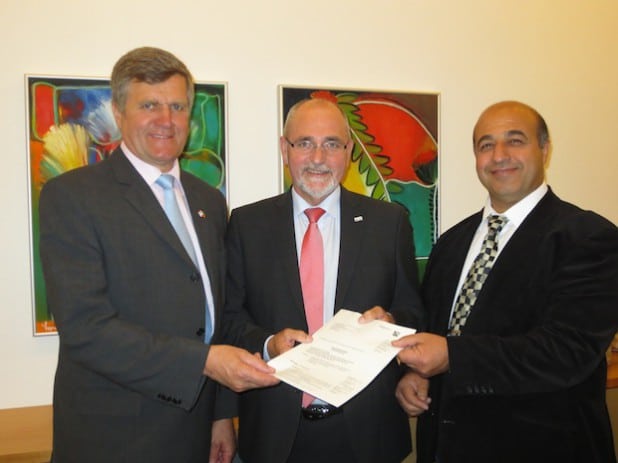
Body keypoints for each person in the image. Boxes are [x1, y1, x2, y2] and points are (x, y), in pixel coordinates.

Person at [39, 46, 278, 463]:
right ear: (118, 111)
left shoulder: (208, 201)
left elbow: (214, 315)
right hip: (113, 439)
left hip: (193, 430)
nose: (166, 120)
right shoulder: (73, 196)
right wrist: (205, 362)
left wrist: (220, 416)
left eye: (177, 106)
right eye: (149, 105)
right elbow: (85, 328)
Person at [394, 100, 618, 463]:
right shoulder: (451, 243)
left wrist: (451, 357)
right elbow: (435, 328)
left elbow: (566, 352)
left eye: (515, 141)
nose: (499, 155)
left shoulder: (589, 238)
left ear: (544, 150)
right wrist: (415, 376)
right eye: (486, 145)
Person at [222, 98, 425, 463]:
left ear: (348, 152)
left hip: (367, 432)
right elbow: (229, 321)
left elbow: (413, 309)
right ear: (285, 150)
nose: (318, 157)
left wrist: (391, 324)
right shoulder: (247, 225)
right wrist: (268, 344)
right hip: (274, 432)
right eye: (305, 143)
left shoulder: (389, 223)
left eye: (332, 144)